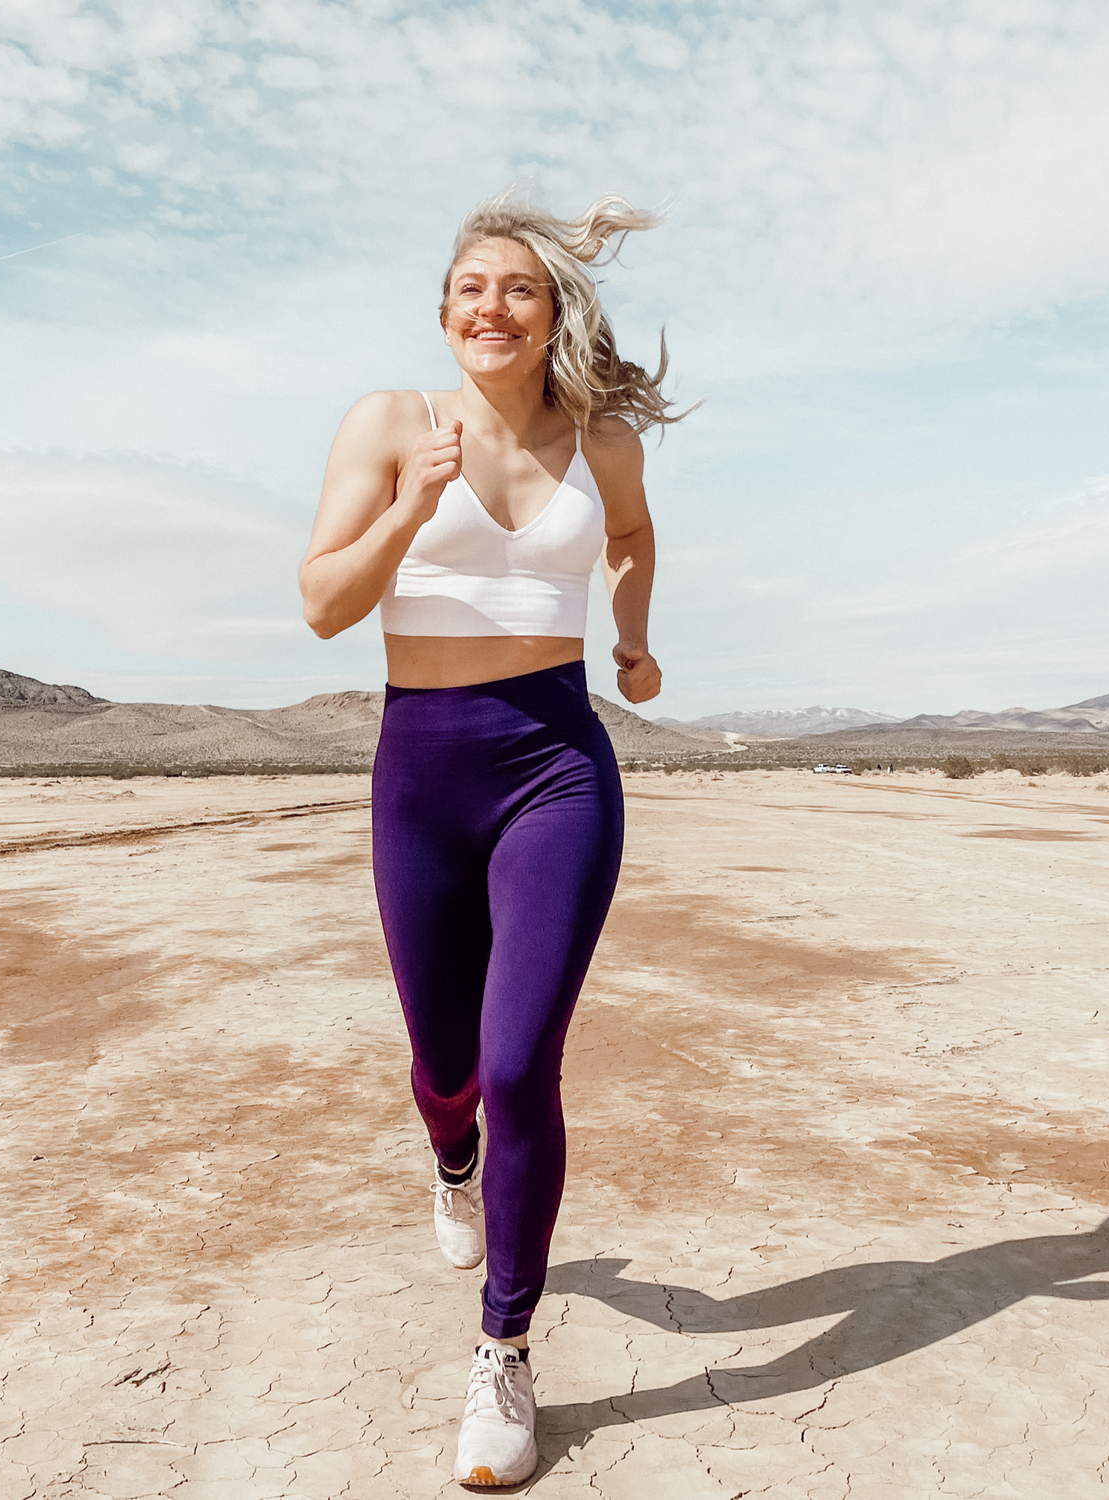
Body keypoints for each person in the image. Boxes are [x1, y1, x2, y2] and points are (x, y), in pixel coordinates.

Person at [299, 189, 689, 1487]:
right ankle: (451, 1163)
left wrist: (629, 636)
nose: (492, 306)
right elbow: (319, 607)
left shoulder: (601, 437)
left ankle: (505, 1352)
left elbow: (629, 536)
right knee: (447, 1068)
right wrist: (410, 507)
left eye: (519, 287)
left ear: (552, 310)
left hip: (557, 765)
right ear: (445, 307)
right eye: (472, 285)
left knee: (524, 1063)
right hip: (424, 767)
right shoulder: (390, 424)